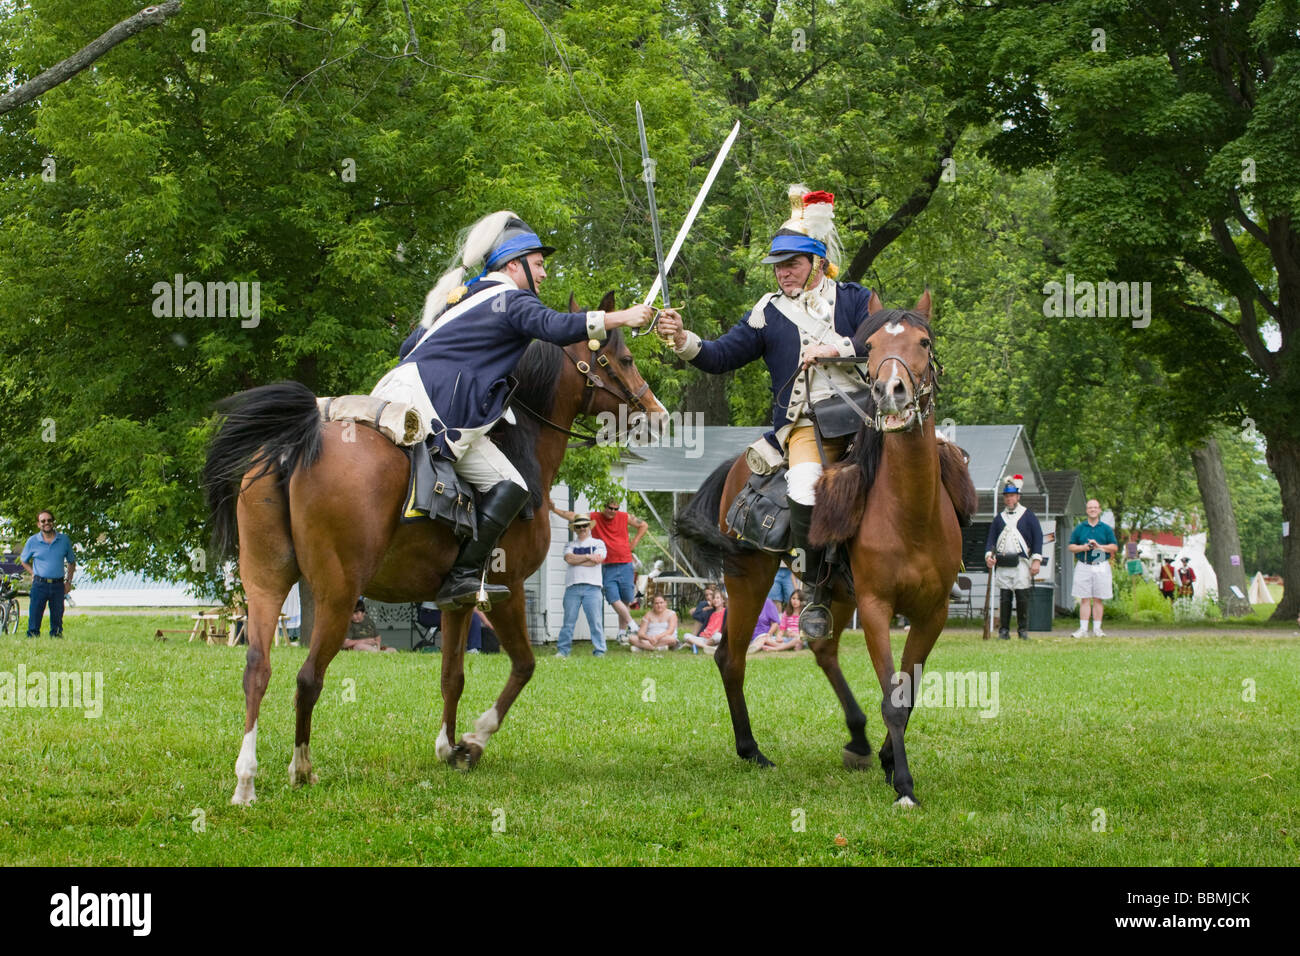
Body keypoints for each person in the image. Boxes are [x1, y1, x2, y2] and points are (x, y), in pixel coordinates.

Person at [370, 211, 653, 610]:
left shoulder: (462, 297)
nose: (543, 274)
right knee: (514, 486)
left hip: (389, 395)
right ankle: (464, 576)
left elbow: (408, 348)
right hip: (439, 406)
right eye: (538, 264)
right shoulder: (509, 298)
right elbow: (555, 328)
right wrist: (621, 317)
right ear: (512, 265)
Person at [657, 186, 882, 641]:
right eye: (778, 266)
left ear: (817, 262)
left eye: (792, 263)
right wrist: (683, 339)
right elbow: (719, 356)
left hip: (865, 418)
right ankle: (817, 588)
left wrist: (834, 347)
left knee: (934, 459)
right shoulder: (766, 312)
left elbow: (883, 341)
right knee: (802, 486)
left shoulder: (856, 299)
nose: (783, 273)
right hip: (804, 425)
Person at [550, 499, 648, 643]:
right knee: (613, 598)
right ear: (604, 507)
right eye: (610, 508)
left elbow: (644, 525)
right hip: (608, 565)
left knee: (626, 599)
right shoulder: (594, 517)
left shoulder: (624, 516)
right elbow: (572, 516)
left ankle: (621, 632)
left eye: (616, 508)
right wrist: (554, 509)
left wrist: (634, 542)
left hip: (626, 562)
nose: (613, 511)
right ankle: (632, 625)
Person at [983, 476, 1043, 640]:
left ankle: (1022, 631)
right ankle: (1004, 631)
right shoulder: (999, 518)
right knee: (1005, 598)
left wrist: (1036, 560)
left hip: (1022, 563)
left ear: (1018, 497)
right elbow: (991, 540)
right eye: (1007, 496)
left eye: (1012, 496)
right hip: (1003, 563)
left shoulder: (1028, 515)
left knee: (1022, 597)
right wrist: (989, 556)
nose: (1009, 499)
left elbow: (1038, 538)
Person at [555, 515, 608, 658]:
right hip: (572, 587)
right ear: (575, 529)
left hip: (593, 587)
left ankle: (600, 651)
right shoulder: (570, 545)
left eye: (584, 525)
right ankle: (563, 650)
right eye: (578, 526)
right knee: (568, 622)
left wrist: (580, 559)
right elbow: (569, 559)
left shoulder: (598, 543)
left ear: (589, 527)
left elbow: (597, 560)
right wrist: (588, 557)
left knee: (596, 621)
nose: (582, 529)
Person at [20, 509, 76, 638]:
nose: (47, 523)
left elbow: (71, 562)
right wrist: (32, 573)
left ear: (53, 522)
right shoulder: (33, 541)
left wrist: (68, 582)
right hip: (39, 584)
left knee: (57, 616)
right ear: (38, 524)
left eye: (49, 520)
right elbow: (24, 561)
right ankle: (33, 638)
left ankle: (56, 638)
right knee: (35, 614)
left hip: (58, 584)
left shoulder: (64, 540)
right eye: (43, 521)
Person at [1069, 499, 1119, 636]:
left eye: (1095, 507)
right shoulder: (1080, 528)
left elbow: (1114, 547)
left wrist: (1100, 546)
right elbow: (1071, 546)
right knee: (1084, 597)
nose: (1092, 510)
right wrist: (1083, 547)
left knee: (1098, 597)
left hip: (1100, 563)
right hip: (1084, 563)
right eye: (1090, 507)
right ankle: (1083, 629)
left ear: (1099, 510)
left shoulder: (1106, 528)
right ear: (1087, 510)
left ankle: (1097, 628)